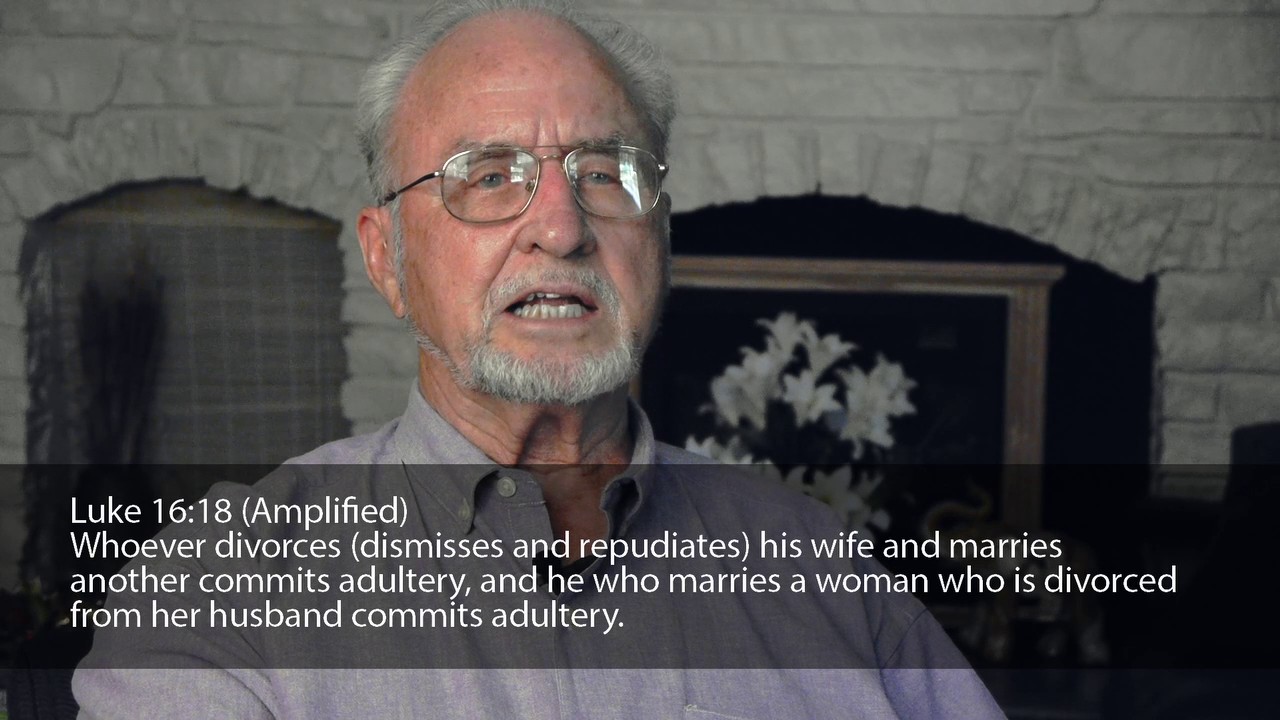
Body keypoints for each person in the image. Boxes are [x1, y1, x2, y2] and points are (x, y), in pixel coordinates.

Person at [73, 1, 1006, 717]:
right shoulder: (222, 588)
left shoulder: (816, 565)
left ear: (661, 239)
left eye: (605, 173)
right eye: (487, 177)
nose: (561, 228)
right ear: (387, 258)